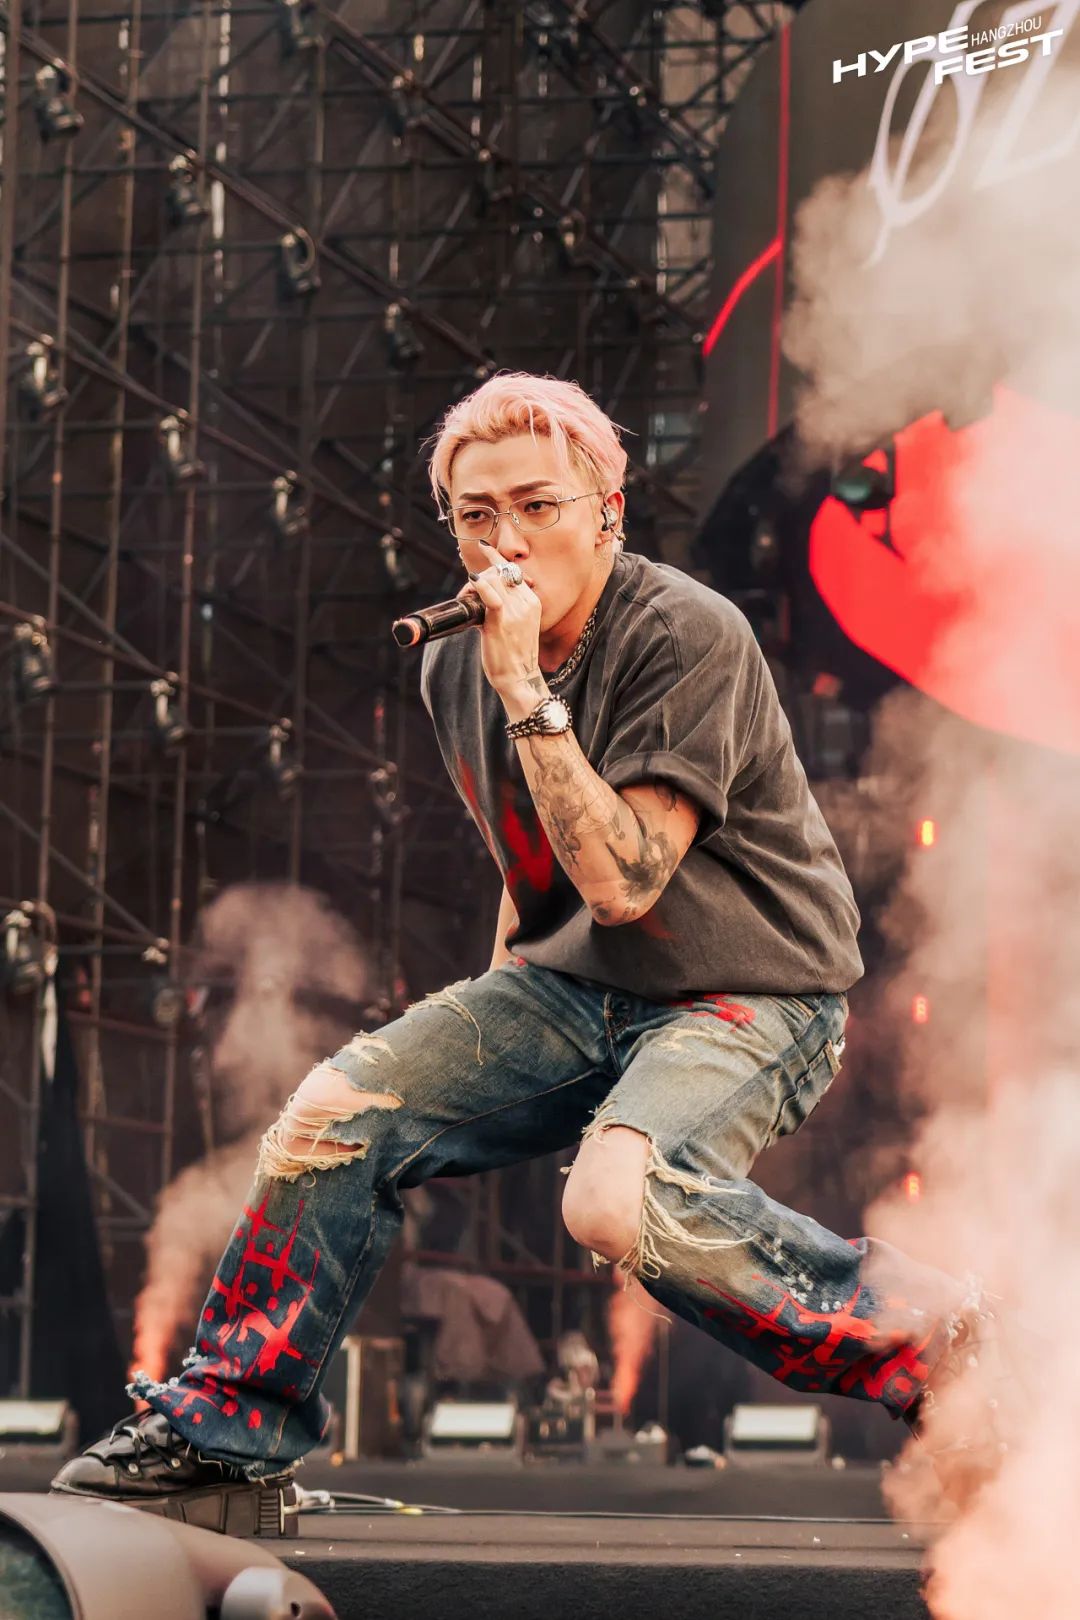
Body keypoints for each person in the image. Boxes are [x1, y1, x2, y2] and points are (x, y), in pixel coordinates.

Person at [52, 372, 989, 1516]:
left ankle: (939, 1341)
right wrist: (488, 1028)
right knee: (330, 1117)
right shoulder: (449, 664)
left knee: (613, 1202)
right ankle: (227, 1423)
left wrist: (524, 683)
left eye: (539, 506)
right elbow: (529, 856)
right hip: (574, 989)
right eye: (477, 515)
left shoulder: (687, 633)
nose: (506, 540)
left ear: (608, 512)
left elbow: (625, 881)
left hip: (752, 989)